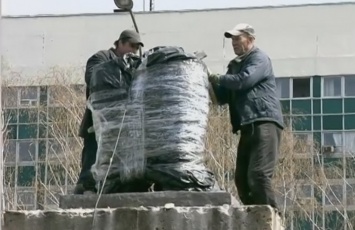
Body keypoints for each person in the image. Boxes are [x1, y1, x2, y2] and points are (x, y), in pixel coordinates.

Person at [208, 23, 284, 213]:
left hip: (264, 122)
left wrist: (216, 77)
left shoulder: (259, 58)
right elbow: (223, 96)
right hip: (247, 126)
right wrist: (205, 80)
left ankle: (272, 217)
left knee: (258, 175)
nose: (234, 43)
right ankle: (254, 217)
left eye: (237, 38)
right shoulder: (235, 66)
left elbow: (244, 80)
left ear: (250, 39)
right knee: (241, 180)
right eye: (232, 39)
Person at [74, 29, 144, 194]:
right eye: (131, 46)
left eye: (136, 48)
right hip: (98, 119)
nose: (133, 51)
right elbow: (93, 77)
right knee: (93, 153)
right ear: (120, 43)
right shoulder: (101, 58)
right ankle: (86, 186)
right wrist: (119, 68)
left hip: (121, 123)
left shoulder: (132, 63)